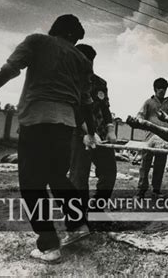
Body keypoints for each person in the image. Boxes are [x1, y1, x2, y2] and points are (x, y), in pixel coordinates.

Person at [0, 14, 99, 263]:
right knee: (56, 177)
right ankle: (78, 225)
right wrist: (90, 131)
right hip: (65, 125)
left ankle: (49, 245)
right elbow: (86, 103)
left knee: (32, 183)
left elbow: (10, 69)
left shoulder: (37, 42)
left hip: (37, 121)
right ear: (74, 37)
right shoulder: (81, 60)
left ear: (54, 29)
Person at [69, 44, 117, 214]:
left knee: (109, 173)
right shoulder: (69, 81)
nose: (88, 65)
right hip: (78, 135)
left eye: (90, 62)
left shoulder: (99, 83)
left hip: (101, 136)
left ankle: (96, 209)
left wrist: (110, 129)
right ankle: (79, 215)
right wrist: (88, 132)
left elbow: (105, 108)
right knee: (78, 177)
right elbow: (73, 110)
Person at [135, 78, 168, 198]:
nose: (162, 91)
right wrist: (139, 121)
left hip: (163, 139)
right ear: (155, 89)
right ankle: (141, 190)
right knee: (145, 165)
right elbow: (140, 116)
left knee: (160, 165)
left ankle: (156, 190)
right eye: (160, 89)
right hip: (150, 138)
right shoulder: (148, 102)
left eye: (164, 89)